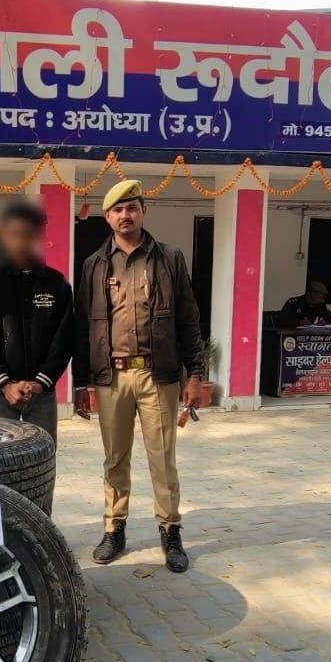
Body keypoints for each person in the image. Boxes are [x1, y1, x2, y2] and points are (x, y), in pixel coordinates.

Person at [74, 180, 204, 573]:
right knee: (115, 459)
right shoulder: (94, 264)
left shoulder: (169, 258)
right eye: (118, 210)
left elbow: (188, 319)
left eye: (132, 207)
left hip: (157, 375)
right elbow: (83, 326)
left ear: (143, 211)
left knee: (163, 459)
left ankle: (170, 531)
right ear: (107, 217)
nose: (125, 215)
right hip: (111, 378)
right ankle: (114, 529)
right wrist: (81, 381)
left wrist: (195, 373)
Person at [0, 199, 74, 443]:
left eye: (28, 234)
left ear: (38, 235)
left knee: (41, 455)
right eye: (14, 234)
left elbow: (64, 339)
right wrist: (5, 383)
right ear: (1, 236)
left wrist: (40, 382)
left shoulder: (57, 284)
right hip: (1, 393)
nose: (21, 242)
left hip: (42, 394)